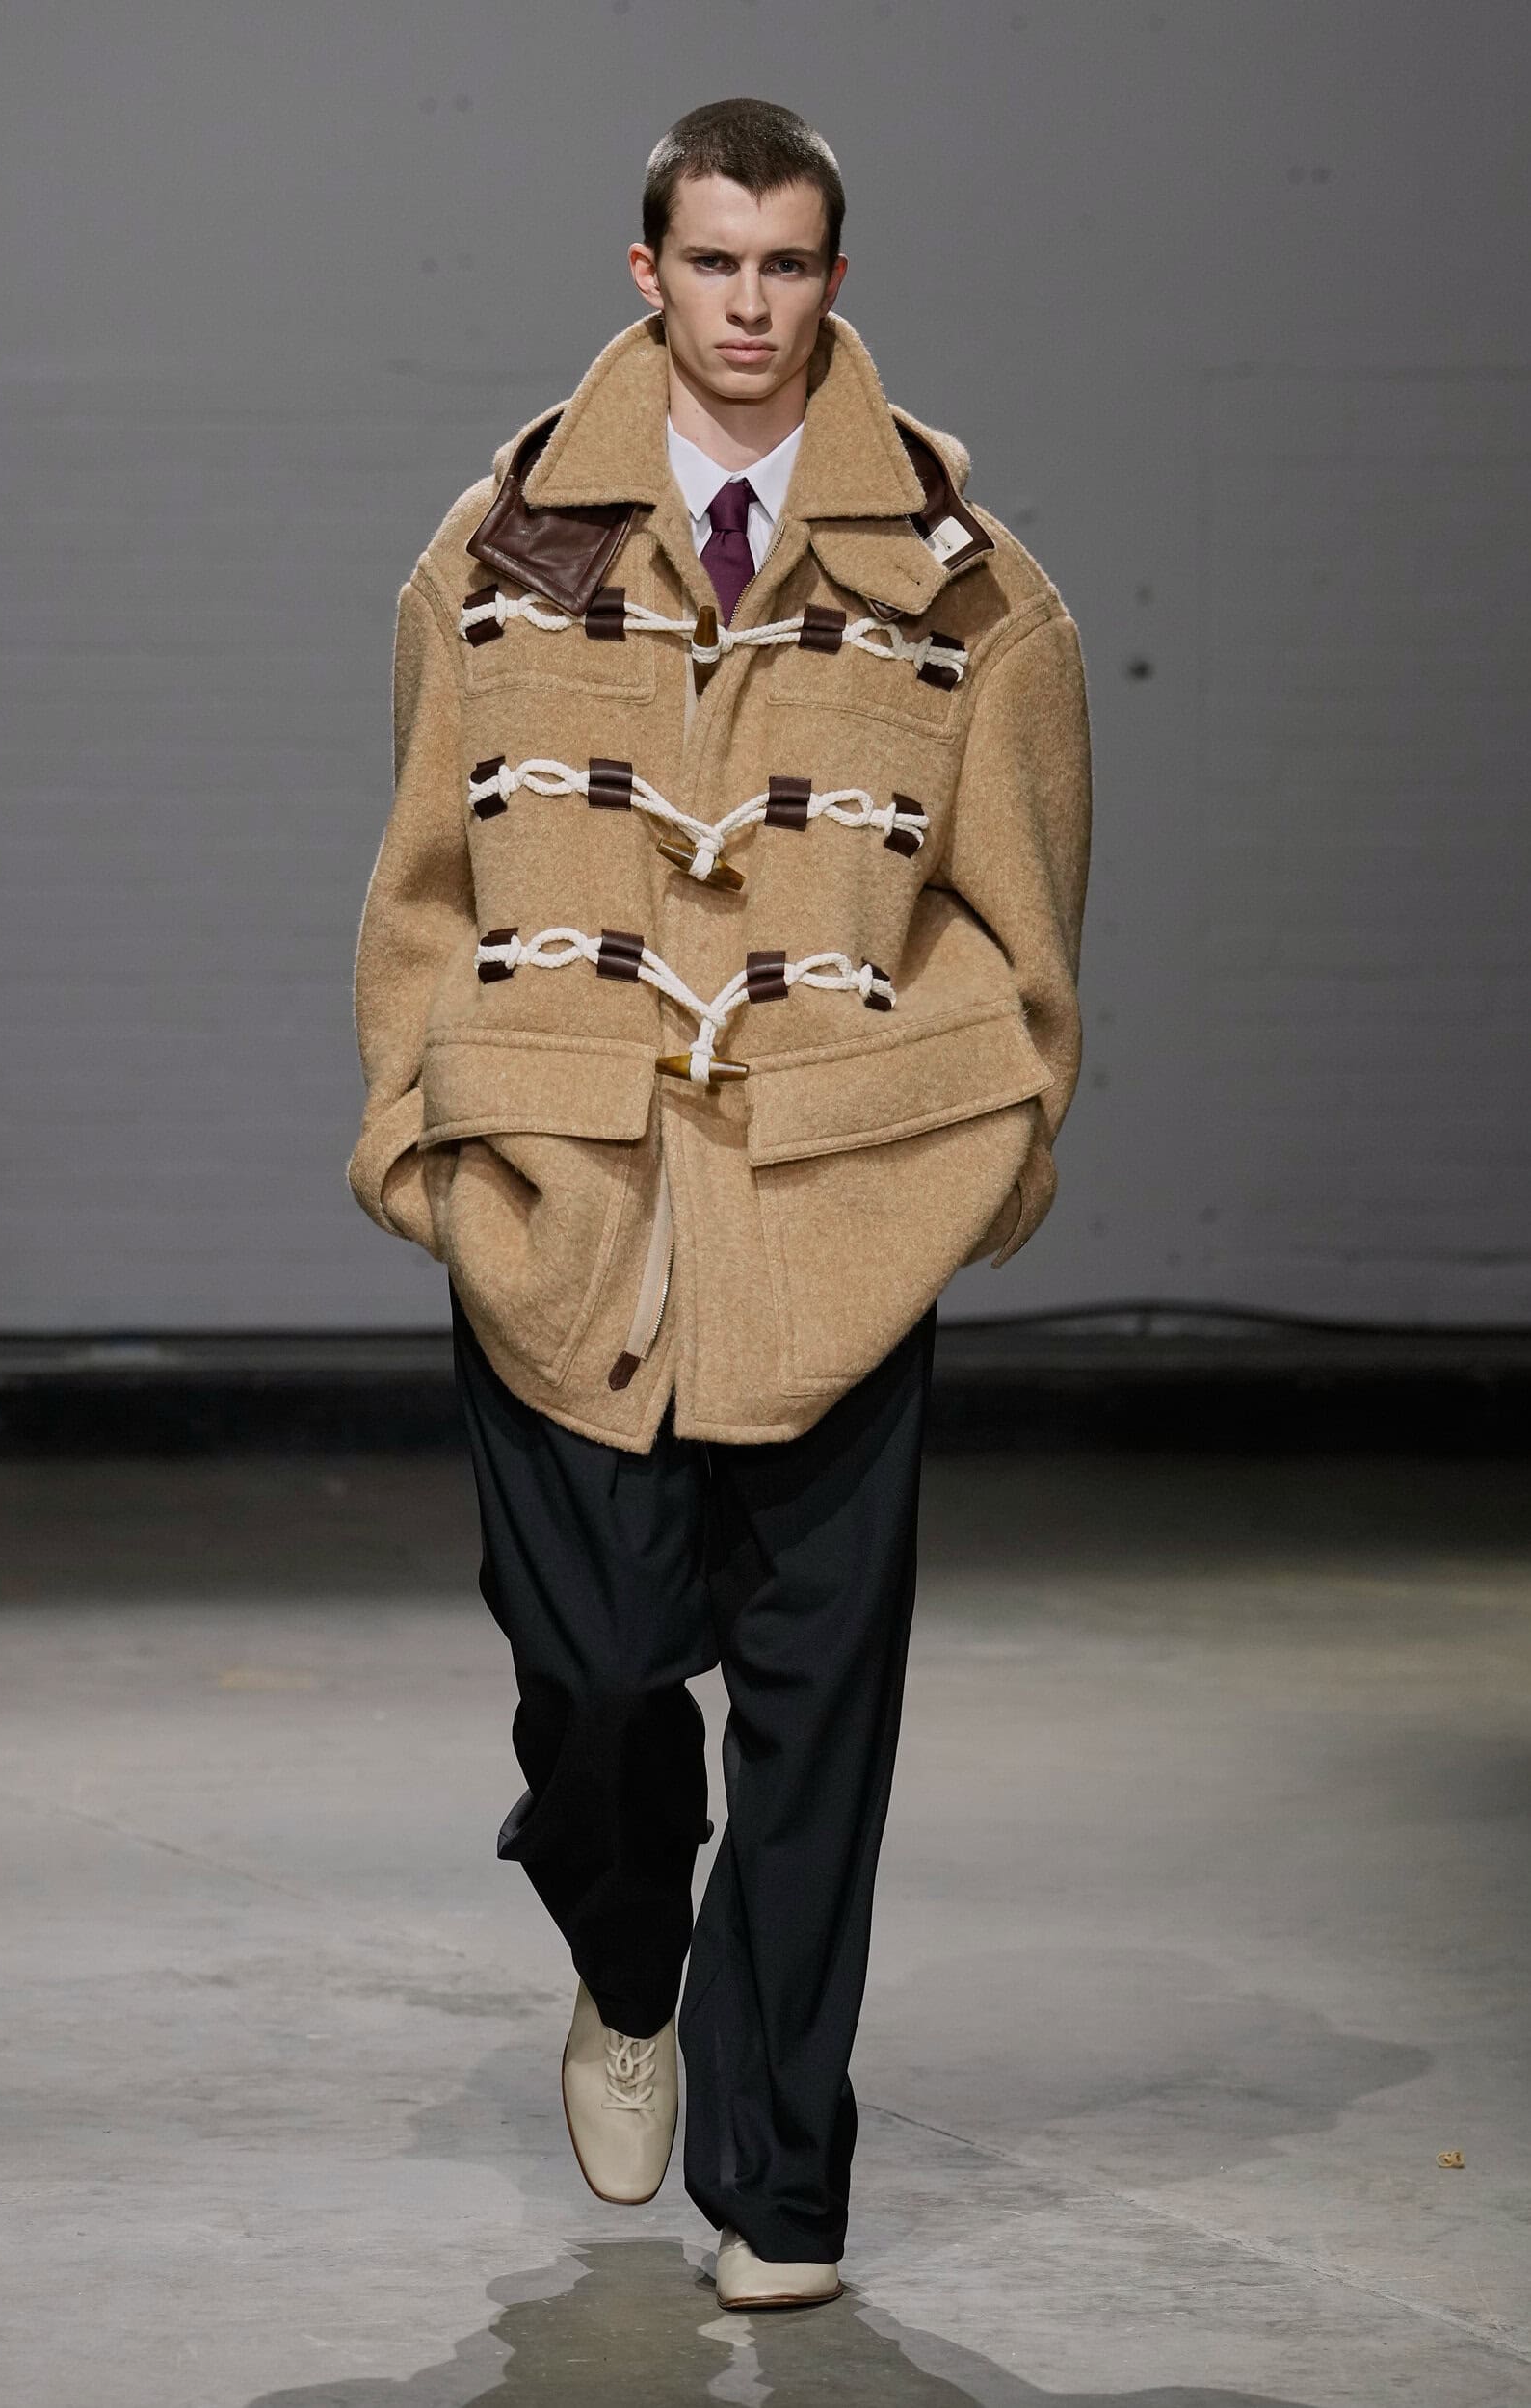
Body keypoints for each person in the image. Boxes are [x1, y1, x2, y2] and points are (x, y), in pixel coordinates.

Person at [348, 95, 1092, 2311]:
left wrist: (970, 1138)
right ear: (648, 274)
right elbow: (421, 874)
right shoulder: (501, 551)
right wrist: (429, 1131)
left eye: (786, 266)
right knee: (593, 1681)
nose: (750, 305)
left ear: (833, 280)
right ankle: (626, 1964)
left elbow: (1024, 914)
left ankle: (785, 2185)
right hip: (564, 1194)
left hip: (836, 1204)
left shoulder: (965, 582)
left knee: (818, 1711)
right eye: (713, 262)